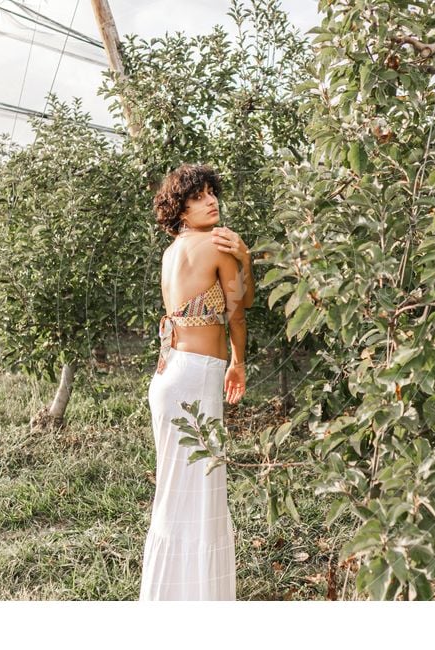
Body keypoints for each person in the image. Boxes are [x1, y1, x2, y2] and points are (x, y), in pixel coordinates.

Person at [139, 163, 253, 601]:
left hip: (168, 375)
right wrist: (238, 360)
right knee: (203, 493)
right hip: (196, 377)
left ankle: (167, 599)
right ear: (181, 209)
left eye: (213, 193)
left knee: (173, 491)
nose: (212, 200)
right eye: (199, 196)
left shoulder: (173, 251)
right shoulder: (219, 244)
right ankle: (202, 604)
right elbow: (239, 309)